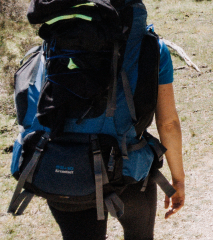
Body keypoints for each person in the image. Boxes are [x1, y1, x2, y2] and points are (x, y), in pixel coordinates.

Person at [47, 38, 186, 240]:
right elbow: (168, 124)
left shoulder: (55, 41)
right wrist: (178, 179)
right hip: (128, 170)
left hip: (66, 171)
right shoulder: (152, 47)